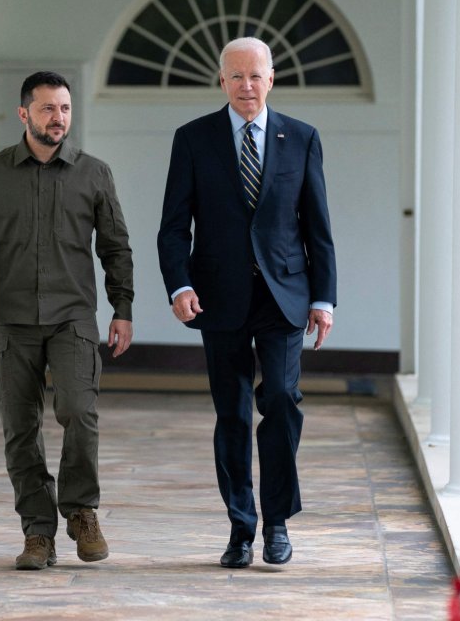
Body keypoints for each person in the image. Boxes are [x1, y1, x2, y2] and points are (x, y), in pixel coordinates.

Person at [157, 36, 337, 568]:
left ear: (272, 79)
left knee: (281, 402)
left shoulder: (301, 138)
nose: (246, 85)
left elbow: (318, 228)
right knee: (231, 414)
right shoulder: (193, 139)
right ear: (221, 81)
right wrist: (180, 284)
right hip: (219, 297)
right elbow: (173, 226)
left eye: (255, 75)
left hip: (285, 295)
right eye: (235, 76)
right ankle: (241, 527)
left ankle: (277, 522)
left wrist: (323, 298)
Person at [0, 70, 134, 571]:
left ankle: (80, 511)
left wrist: (123, 309)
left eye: (66, 109)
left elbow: (115, 246)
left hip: (73, 317)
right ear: (24, 113)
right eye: (49, 108)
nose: (59, 118)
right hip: (11, 319)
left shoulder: (93, 173)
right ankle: (37, 532)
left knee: (79, 410)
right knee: (19, 428)